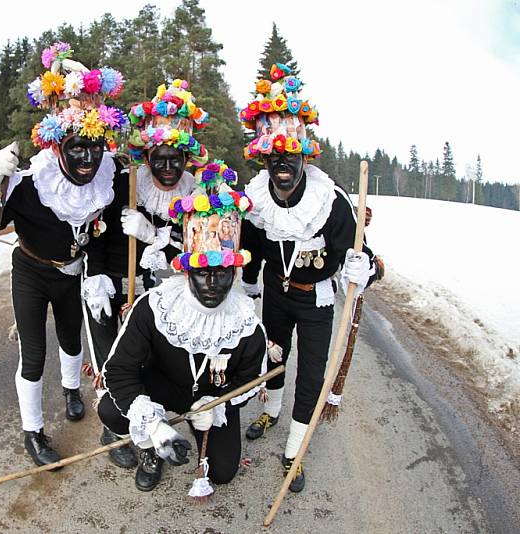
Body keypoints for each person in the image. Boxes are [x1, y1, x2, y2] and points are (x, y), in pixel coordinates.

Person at [0, 43, 127, 467]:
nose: (88, 158)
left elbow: (112, 233)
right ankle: (32, 432)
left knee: (73, 339)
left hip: (75, 274)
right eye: (77, 147)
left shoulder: (107, 181)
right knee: (34, 354)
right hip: (32, 272)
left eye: (95, 147)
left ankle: (72, 389)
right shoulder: (29, 182)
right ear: (58, 146)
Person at [239, 63, 380, 492]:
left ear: (304, 157)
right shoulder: (258, 196)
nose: (282, 166)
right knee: (275, 357)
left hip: (315, 299)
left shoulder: (330, 201)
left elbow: (362, 254)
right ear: (264, 158)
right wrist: (247, 286)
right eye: (273, 157)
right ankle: (272, 409)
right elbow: (252, 245)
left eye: (290, 157)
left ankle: (295, 449)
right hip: (277, 296)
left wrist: (363, 268)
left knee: (312, 374)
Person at [98, 168, 267, 492]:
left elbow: (250, 380)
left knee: (222, 472)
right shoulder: (155, 306)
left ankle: (198, 424)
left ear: (234, 272)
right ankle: (150, 450)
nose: (213, 284)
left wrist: (219, 406)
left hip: (210, 398)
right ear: (187, 270)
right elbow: (118, 371)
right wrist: (156, 428)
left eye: (222, 272)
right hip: (161, 388)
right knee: (111, 409)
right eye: (203, 272)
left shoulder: (246, 324)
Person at [81, 80, 210, 402]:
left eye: (176, 159)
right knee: (108, 356)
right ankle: (111, 421)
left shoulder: (196, 195)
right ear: (147, 156)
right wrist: (95, 273)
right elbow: (96, 232)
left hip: (158, 288)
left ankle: (143, 415)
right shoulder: (126, 183)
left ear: (187, 157)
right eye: (160, 159)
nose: (168, 168)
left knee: (144, 357)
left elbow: (194, 254)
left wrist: (153, 236)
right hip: (109, 283)